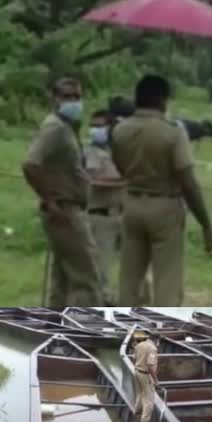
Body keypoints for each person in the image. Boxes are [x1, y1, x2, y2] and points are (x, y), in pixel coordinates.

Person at [111, 74, 212, 306]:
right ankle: (163, 332)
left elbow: (120, 167)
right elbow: (188, 181)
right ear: (163, 100)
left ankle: (123, 328)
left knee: (129, 277)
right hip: (165, 205)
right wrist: (206, 224)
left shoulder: (119, 130)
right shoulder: (173, 132)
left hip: (132, 203)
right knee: (167, 280)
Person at [22, 77, 103, 307]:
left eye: (77, 97)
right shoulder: (55, 128)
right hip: (65, 209)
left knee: (63, 277)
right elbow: (30, 164)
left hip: (68, 207)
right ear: (55, 99)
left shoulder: (66, 127)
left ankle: (54, 325)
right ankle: (86, 332)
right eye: (67, 97)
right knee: (87, 277)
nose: (74, 102)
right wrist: (50, 200)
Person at [83, 110, 127, 305]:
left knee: (134, 264)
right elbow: (98, 179)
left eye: (100, 126)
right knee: (101, 269)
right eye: (93, 126)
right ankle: (104, 303)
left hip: (123, 213)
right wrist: (126, 178)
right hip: (100, 216)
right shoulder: (89, 151)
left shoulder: (118, 150)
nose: (95, 130)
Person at [132, 331, 158, 422]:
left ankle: (137, 411)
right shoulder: (152, 348)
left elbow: (134, 358)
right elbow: (150, 365)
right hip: (144, 374)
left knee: (140, 392)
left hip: (136, 371)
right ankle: (145, 419)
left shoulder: (137, 346)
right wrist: (155, 380)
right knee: (149, 397)